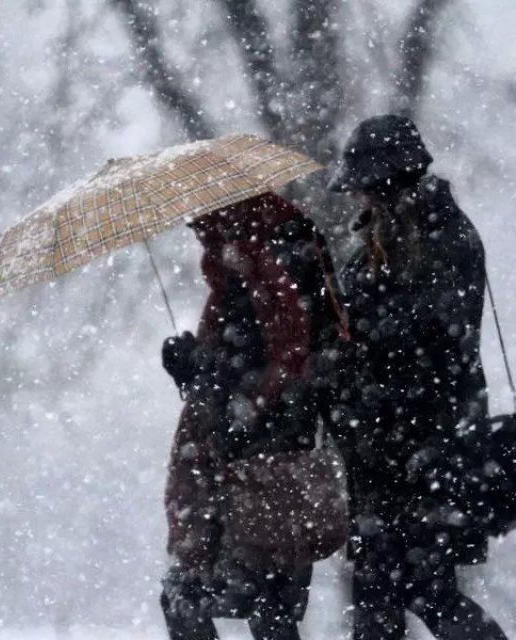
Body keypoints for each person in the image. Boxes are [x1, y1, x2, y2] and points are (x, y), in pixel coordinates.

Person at [328, 114, 508, 640]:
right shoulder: (390, 239)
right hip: (391, 451)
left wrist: (360, 328)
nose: (356, 197)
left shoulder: (441, 238)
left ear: (386, 182)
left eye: (363, 186)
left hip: (423, 447)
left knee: (420, 591)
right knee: (385, 595)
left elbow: (433, 341)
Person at [158, 193, 343, 640]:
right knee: (247, 603)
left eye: (205, 221)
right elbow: (246, 363)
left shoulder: (269, 266)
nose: (199, 231)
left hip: (263, 468)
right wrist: (194, 367)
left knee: (256, 600)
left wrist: (212, 376)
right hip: (253, 465)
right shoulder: (245, 274)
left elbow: (281, 364)